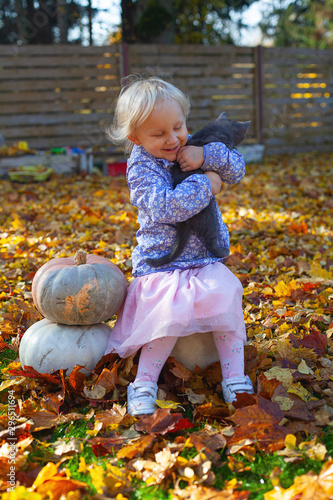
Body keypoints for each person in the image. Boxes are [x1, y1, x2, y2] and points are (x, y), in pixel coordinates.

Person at [105, 75, 254, 416]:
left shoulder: (194, 147)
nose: (173, 139)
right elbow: (167, 208)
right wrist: (207, 183)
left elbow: (238, 169)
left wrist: (206, 156)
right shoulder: (141, 169)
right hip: (162, 264)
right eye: (159, 134)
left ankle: (235, 379)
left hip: (202, 259)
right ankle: (143, 383)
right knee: (166, 317)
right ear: (135, 138)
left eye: (178, 126)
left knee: (227, 296)